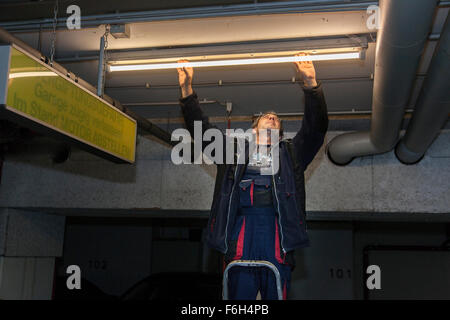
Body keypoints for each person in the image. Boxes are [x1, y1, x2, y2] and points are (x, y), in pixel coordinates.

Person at [177, 53, 328, 300]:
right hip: (239, 234)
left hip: (276, 236)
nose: (272, 117)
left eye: (276, 119)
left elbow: (316, 129)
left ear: (279, 133)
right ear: (253, 129)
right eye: (266, 117)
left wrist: (312, 86)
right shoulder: (232, 154)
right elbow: (202, 132)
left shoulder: (292, 154)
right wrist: (186, 90)